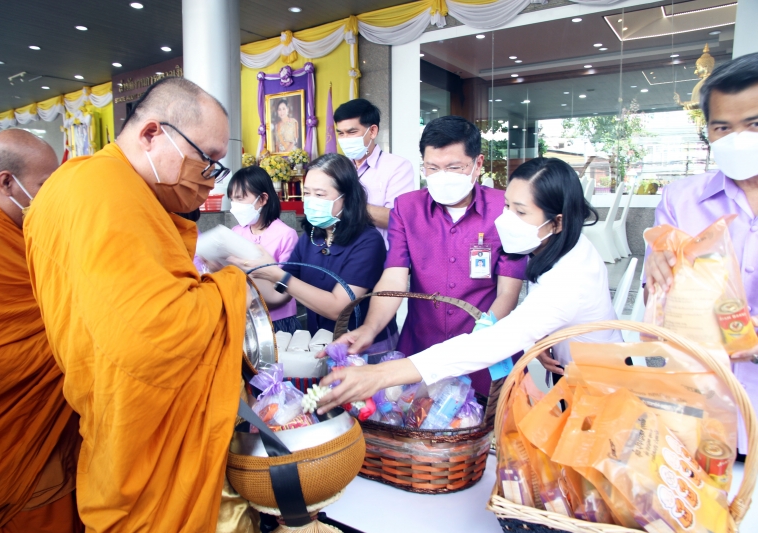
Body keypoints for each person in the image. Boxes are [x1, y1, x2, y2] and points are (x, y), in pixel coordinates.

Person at [22, 77, 257, 532]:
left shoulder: (104, 188)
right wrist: (233, 285)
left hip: (123, 422)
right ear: (152, 134)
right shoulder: (100, 191)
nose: (209, 176)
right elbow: (154, 335)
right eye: (205, 159)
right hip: (138, 433)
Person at [317, 157, 623, 412]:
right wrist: (545, 334)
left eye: (521, 212)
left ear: (556, 221)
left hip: (600, 388)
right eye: (506, 206)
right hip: (570, 366)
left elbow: (494, 341)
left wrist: (381, 375)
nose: (505, 219)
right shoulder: (559, 244)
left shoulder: (571, 279)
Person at [328, 115, 527, 394]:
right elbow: (394, 277)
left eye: (454, 167)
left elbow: (509, 290)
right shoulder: (407, 208)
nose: (442, 176)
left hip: (486, 350)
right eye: (432, 168)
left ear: (477, 164)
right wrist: (370, 328)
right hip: (421, 350)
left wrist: (481, 339)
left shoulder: (504, 208)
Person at [0, 129, 82, 532]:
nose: (51, 197)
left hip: (50, 430)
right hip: (15, 445)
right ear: (6, 182)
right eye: (45, 185)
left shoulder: (14, 232)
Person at [643, 52, 758, 455]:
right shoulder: (681, 200)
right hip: (695, 418)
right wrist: (658, 281)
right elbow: (654, 309)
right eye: (722, 127)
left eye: (754, 124)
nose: (738, 138)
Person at [233, 153, 397, 351]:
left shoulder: (368, 241)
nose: (311, 201)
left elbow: (339, 308)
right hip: (319, 343)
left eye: (319, 195)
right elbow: (279, 296)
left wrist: (279, 275)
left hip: (362, 348)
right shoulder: (312, 236)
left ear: (346, 197)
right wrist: (253, 270)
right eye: (307, 193)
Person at [228, 166, 301, 333]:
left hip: (277, 320)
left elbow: (285, 287)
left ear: (262, 199)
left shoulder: (285, 235)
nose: (234, 206)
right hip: (246, 317)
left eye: (240, 198)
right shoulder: (236, 232)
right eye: (232, 199)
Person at [334, 98, 415, 247]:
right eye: (341, 133)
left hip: (378, 257)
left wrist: (346, 204)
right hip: (340, 253)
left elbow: (397, 219)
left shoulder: (397, 167)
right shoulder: (337, 167)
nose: (345, 139)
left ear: (372, 131)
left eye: (352, 132)